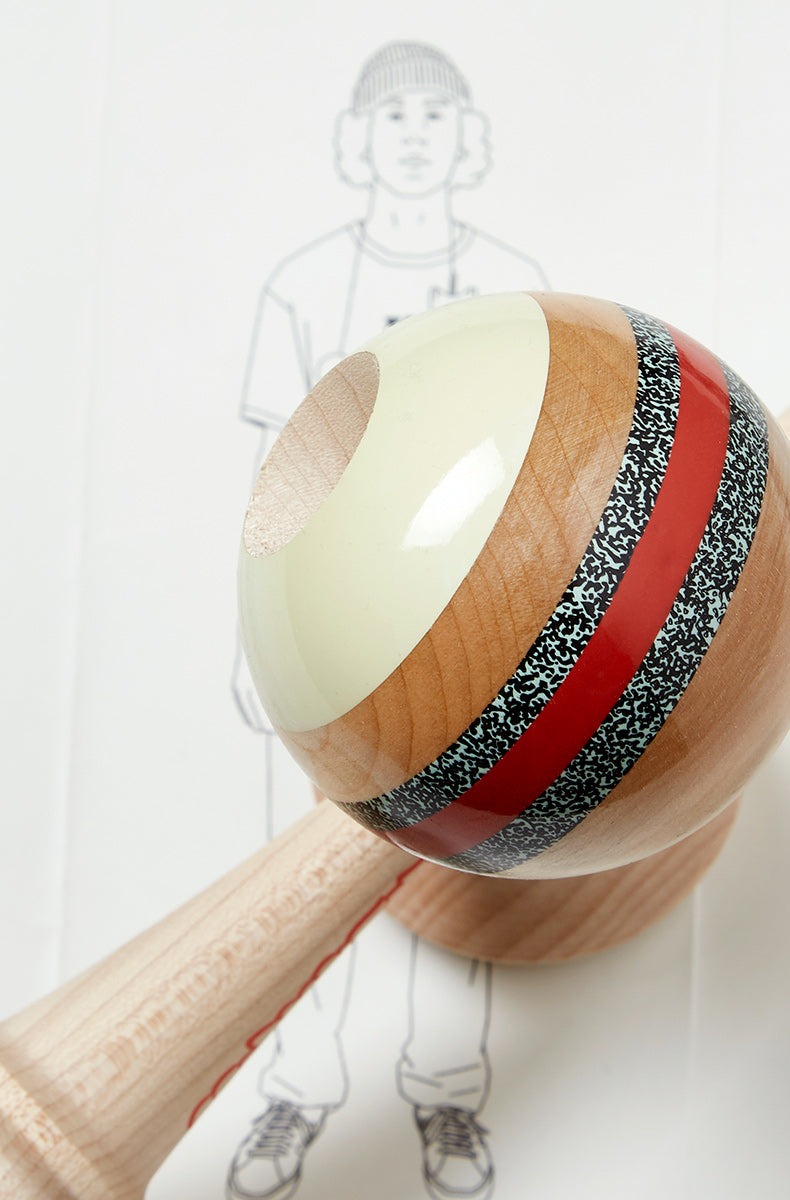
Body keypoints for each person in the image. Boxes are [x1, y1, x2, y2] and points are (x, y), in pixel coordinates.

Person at [228, 40, 548, 1200]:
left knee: (463, 887)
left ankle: (447, 1094)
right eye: (393, 115)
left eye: (435, 113)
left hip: (489, 659)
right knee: (304, 885)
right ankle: (296, 1092)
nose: (414, 134)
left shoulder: (516, 284)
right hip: (321, 664)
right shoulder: (306, 283)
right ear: (358, 140)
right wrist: (249, 643)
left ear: (469, 137)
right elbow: (269, 470)